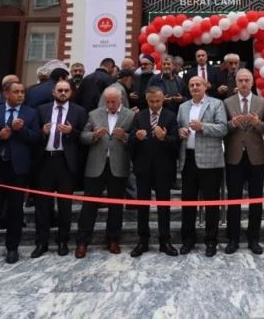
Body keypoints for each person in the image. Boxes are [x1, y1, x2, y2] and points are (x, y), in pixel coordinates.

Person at [0, 80, 39, 267]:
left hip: (17, 169)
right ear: (6, 94)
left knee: (15, 211)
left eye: (22, 92)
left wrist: (21, 131)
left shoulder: (31, 113)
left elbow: (36, 138)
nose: (20, 95)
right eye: (16, 92)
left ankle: (12, 248)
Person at [75, 87, 135, 257]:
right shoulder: (94, 114)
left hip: (118, 166)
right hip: (96, 166)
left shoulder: (130, 115)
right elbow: (83, 136)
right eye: (107, 101)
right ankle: (82, 241)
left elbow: (135, 140)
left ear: (120, 100)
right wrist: (94, 135)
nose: (110, 105)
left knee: (116, 206)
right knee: (89, 206)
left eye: (113, 102)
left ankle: (113, 239)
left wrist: (124, 136)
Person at [32, 80, 87, 258]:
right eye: (60, 90)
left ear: (70, 93)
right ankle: (42, 242)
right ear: (54, 92)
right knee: (42, 205)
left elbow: (84, 138)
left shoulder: (79, 111)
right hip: (45, 161)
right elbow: (32, 136)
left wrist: (72, 131)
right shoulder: (42, 110)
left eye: (66, 90)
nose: (63, 93)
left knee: (65, 206)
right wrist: (42, 132)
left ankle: (63, 241)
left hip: (65, 162)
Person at [177, 76, 228, 257]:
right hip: (188, 160)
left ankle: (211, 241)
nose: (195, 87)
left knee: (211, 203)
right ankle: (188, 240)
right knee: (188, 203)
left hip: (210, 161)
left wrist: (202, 127)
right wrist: (180, 131)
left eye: (198, 84)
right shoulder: (183, 107)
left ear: (206, 86)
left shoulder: (216, 104)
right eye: (191, 85)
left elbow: (223, 128)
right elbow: (179, 128)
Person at [223, 69, 264, 255]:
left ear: (252, 82)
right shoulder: (226, 103)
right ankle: (232, 239)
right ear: (236, 82)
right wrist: (232, 123)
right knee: (233, 200)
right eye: (240, 80)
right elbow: (221, 128)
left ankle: (254, 239)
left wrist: (257, 123)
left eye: (246, 80)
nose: (243, 83)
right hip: (234, 157)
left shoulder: (261, 102)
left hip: (256, 157)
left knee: (256, 200)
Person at [129, 87, 180, 257]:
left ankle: (165, 241)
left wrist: (164, 138)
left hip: (163, 169)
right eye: (152, 101)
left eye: (158, 101)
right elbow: (130, 143)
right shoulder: (139, 116)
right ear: (147, 99)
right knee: (142, 206)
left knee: (163, 206)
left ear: (163, 99)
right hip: (143, 168)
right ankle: (142, 241)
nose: (155, 104)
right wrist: (137, 138)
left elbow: (176, 144)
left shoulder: (171, 116)